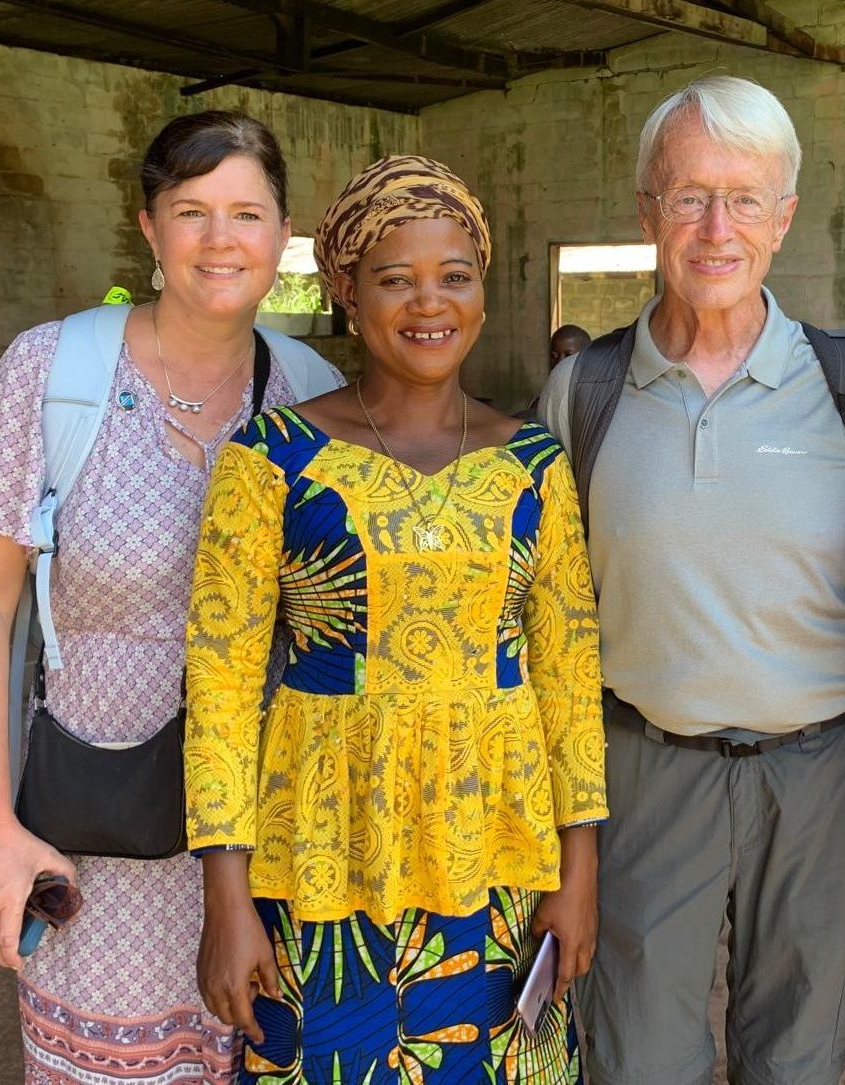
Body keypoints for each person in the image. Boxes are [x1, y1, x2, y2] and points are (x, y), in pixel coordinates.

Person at [184, 154, 607, 1084]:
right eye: (395, 278)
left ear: (483, 294)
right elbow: (219, 680)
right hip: (325, 858)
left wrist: (579, 870)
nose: (430, 302)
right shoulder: (273, 459)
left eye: (455, 276)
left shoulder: (532, 463)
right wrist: (226, 892)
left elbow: (569, 674)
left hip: (499, 854)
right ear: (345, 292)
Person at [0, 109, 341, 1083]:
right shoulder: (50, 374)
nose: (221, 240)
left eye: (247, 213)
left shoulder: (316, 397)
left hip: (263, 847)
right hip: (90, 837)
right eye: (192, 211)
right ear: (148, 227)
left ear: (280, 232)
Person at [540, 75, 845, 1085]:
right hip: (644, 767)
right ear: (649, 213)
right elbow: (546, 617)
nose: (714, 225)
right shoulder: (580, 393)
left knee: (800, 1054)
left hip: (825, 775)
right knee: (637, 1054)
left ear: (782, 219)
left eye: (743, 197)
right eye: (688, 195)